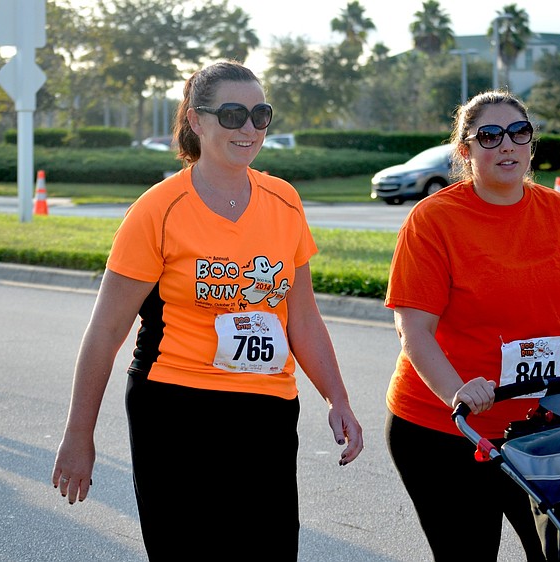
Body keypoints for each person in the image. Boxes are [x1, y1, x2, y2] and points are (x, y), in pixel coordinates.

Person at [51, 60, 363, 560]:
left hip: (267, 410)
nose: (249, 129)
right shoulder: (158, 209)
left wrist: (337, 399)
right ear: (196, 121)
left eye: (260, 115)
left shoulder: (284, 200)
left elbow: (301, 316)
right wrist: (78, 435)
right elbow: (106, 331)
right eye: (233, 114)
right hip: (175, 409)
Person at [383, 90, 560, 561]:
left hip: (541, 430)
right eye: (489, 136)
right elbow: (414, 330)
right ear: (466, 150)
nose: (506, 146)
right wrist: (457, 391)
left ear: (531, 143)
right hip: (445, 431)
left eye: (519, 133)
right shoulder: (433, 221)